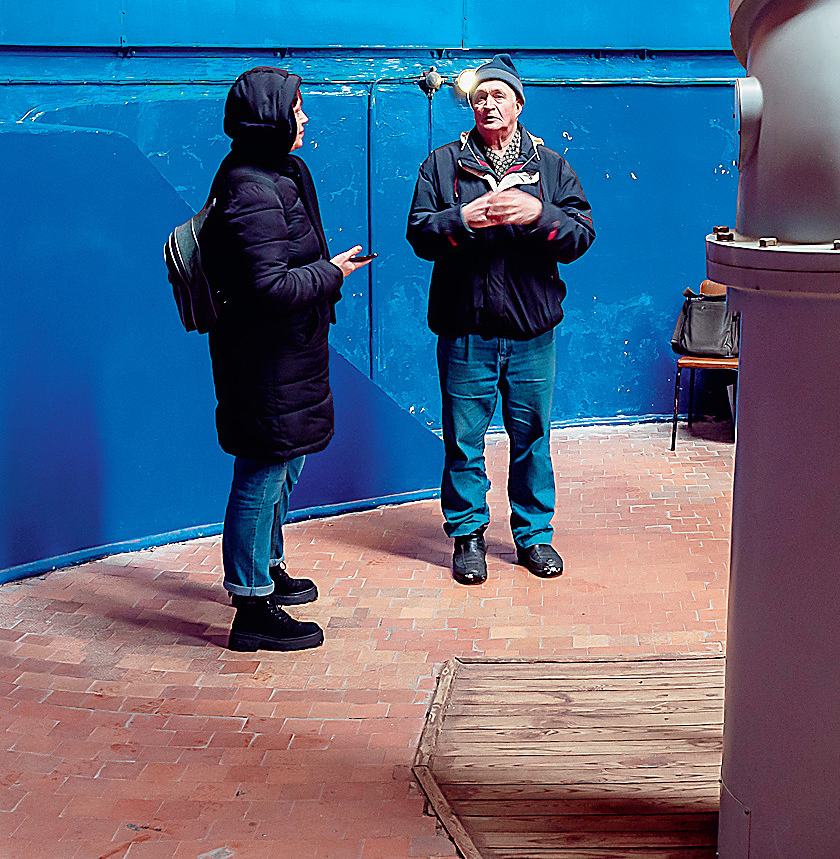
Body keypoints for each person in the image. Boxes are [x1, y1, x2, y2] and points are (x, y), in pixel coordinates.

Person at [407, 54, 594, 584]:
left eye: (499, 96)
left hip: (531, 333)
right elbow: (419, 234)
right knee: (463, 441)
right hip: (464, 330)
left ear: (518, 104)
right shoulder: (442, 165)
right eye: (480, 97)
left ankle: (533, 536)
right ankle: (467, 536)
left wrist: (540, 214)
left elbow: (580, 236)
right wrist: (460, 219)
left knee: (532, 438)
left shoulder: (550, 166)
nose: (488, 104)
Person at [206, 66, 371, 652]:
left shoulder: (281, 170)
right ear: (269, 117)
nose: (304, 117)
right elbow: (266, 287)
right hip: (263, 360)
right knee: (262, 470)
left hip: (289, 352)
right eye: (296, 108)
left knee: (286, 462)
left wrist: (325, 272)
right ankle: (250, 606)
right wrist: (332, 273)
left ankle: (266, 567)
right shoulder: (250, 187)